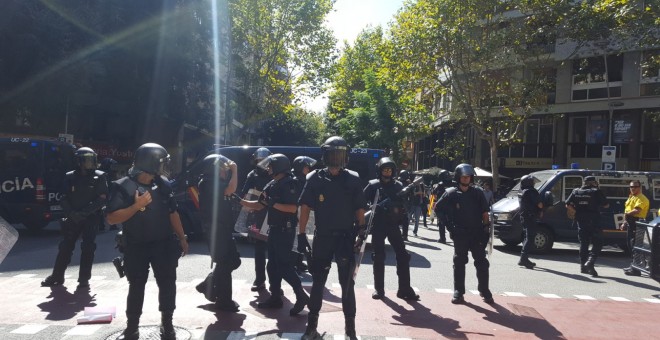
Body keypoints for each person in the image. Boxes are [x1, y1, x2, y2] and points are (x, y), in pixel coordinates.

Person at [106, 143, 189, 340]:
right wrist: (136, 206)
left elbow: (172, 212)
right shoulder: (124, 186)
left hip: (163, 245)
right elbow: (112, 218)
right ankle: (132, 327)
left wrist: (182, 237)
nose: (164, 168)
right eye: (162, 163)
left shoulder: (163, 184)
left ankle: (167, 324)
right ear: (151, 163)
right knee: (136, 286)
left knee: (168, 284)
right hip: (136, 246)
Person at [297, 136, 367, 340]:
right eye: (333, 153)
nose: (337, 158)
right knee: (318, 282)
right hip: (323, 237)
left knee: (347, 285)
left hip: (345, 238)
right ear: (325, 155)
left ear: (345, 157)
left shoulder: (353, 179)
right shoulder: (314, 178)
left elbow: (359, 208)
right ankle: (311, 327)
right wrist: (301, 235)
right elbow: (305, 208)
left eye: (340, 154)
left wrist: (361, 230)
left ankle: (350, 330)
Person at [239, 154, 309, 315]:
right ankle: (275, 297)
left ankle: (301, 296)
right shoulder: (272, 184)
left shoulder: (290, 183)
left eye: (271, 166)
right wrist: (238, 201)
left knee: (284, 266)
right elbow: (259, 205)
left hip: (286, 229)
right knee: (272, 266)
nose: (268, 168)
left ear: (279, 166)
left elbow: (292, 208)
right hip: (274, 229)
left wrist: (273, 203)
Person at [41, 147, 108, 289]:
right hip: (72, 217)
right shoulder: (69, 176)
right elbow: (63, 197)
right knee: (65, 246)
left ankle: (84, 279)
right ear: (79, 161)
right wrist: (71, 213)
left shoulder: (99, 176)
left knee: (88, 247)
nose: (90, 163)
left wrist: (84, 213)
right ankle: (57, 276)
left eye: (92, 160)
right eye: (87, 160)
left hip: (90, 217)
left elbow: (101, 199)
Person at [363, 157, 420, 301]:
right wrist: (372, 208)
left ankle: (405, 289)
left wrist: (403, 201)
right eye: (385, 169)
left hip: (393, 225)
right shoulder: (373, 185)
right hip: (378, 225)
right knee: (378, 257)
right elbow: (361, 202)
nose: (387, 172)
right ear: (380, 170)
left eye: (389, 170)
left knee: (403, 255)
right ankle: (379, 289)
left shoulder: (399, 186)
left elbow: (406, 205)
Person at [436, 163, 493, 305]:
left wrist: (486, 230)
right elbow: (438, 208)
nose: (466, 179)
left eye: (468, 177)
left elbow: (485, 212)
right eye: (464, 176)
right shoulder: (451, 193)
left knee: (482, 263)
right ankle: (458, 292)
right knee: (459, 262)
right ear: (458, 177)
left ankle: (484, 290)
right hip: (460, 233)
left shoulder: (478, 193)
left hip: (477, 233)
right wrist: (450, 226)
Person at [194, 153, 241, 312]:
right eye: (223, 169)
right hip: (215, 229)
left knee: (233, 260)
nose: (225, 172)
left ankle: (208, 284)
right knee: (225, 262)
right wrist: (235, 170)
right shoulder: (209, 183)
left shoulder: (214, 182)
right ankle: (224, 300)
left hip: (223, 228)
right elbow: (230, 189)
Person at [565, 176, 609, 277]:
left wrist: (576, 211)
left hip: (581, 221)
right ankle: (590, 262)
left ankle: (583, 266)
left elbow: (567, 204)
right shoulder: (596, 191)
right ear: (592, 183)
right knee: (598, 243)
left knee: (583, 244)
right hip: (594, 221)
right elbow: (606, 205)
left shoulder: (576, 191)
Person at [241, 147, 272, 292]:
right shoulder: (252, 175)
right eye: (259, 160)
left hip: (273, 215)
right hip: (257, 215)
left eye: (264, 160)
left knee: (274, 251)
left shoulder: (275, 173)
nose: (262, 163)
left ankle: (275, 282)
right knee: (259, 250)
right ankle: (260, 280)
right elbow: (244, 193)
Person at [291, 156, 317, 273]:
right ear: (300, 167)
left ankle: (298, 261)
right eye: (306, 167)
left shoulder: (302, 179)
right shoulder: (297, 180)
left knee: (301, 237)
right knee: (298, 237)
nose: (308, 169)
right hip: (297, 213)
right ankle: (294, 263)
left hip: (303, 212)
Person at [621, 180, 650, 276]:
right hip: (631, 222)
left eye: (635, 187)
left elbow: (637, 210)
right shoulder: (632, 197)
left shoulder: (641, 198)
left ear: (639, 187)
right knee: (631, 245)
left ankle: (636, 269)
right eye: (631, 187)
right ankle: (633, 266)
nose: (632, 188)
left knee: (635, 246)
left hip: (637, 222)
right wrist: (625, 222)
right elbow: (627, 210)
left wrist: (627, 215)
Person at [518, 175, 543, 269]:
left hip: (524, 216)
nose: (533, 183)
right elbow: (539, 204)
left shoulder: (522, 191)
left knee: (526, 237)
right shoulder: (531, 191)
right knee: (530, 238)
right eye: (532, 182)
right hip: (530, 217)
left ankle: (523, 258)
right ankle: (523, 259)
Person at [99, 157, 119, 231]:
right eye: (112, 166)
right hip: (102, 193)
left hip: (109, 193)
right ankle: (101, 225)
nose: (113, 168)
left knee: (110, 209)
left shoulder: (111, 174)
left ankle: (109, 225)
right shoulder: (102, 173)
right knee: (100, 209)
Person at [432, 170, 451, 243]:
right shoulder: (454, 184)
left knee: (441, 223)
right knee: (451, 222)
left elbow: (434, 193)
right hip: (450, 206)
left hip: (441, 206)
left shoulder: (440, 184)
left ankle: (442, 238)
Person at [398, 170, 412, 241]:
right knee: (404, 221)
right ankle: (404, 235)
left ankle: (403, 235)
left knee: (402, 221)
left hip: (401, 204)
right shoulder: (403, 184)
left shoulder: (398, 182)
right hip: (403, 204)